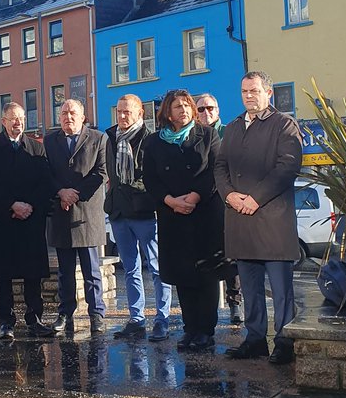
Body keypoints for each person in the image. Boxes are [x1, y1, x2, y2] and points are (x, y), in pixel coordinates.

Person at [214, 71, 303, 365]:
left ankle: (285, 342)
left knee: (280, 291)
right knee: (250, 289)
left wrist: (255, 198)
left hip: (272, 221)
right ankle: (254, 339)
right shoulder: (235, 126)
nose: (248, 96)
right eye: (244, 91)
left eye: (254, 91)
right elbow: (221, 166)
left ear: (268, 93)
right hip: (240, 219)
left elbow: (287, 168)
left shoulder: (284, 125)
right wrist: (229, 195)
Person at [143, 89, 226, 352]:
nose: (184, 110)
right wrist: (170, 201)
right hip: (172, 216)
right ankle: (190, 329)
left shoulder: (208, 135)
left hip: (204, 214)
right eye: (177, 106)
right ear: (167, 112)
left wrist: (194, 196)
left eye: (187, 105)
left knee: (207, 274)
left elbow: (215, 170)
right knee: (183, 275)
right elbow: (150, 178)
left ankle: (206, 330)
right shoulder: (155, 142)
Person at [0, 102, 55, 340]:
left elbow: (45, 182)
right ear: (3, 121)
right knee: (4, 275)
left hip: (31, 219)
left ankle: (34, 318)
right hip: (5, 219)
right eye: (13, 119)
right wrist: (12, 205)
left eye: (21, 118)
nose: (18, 123)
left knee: (32, 274)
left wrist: (30, 206)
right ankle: (6, 321)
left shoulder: (36, 147)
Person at [104, 94, 172, 341]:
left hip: (145, 212)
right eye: (119, 111)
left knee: (156, 267)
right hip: (119, 213)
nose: (122, 116)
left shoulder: (152, 139)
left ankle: (162, 319)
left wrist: (134, 187)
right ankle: (136, 319)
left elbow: (155, 176)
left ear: (140, 113)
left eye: (127, 112)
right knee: (130, 268)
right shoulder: (109, 137)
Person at [43, 99, 108, 336]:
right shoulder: (50, 140)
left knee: (92, 270)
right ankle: (65, 311)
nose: (68, 117)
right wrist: (61, 192)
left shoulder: (98, 138)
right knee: (65, 270)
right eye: (63, 113)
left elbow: (101, 172)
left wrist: (74, 195)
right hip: (61, 213)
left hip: (87, 213)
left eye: (72, 113)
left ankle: (96, 314)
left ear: (83, 117)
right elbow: (46, 172)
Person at [194, 92, 243, 326]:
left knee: (230, 255)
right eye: (201, 109)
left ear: (218, 109)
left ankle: (235, 303)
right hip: (201, 204)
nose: (206, 113)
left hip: (225, 201)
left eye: (210, 108)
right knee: (205, 257)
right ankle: (207, 306)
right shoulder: (192, 135)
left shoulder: (229, 133)